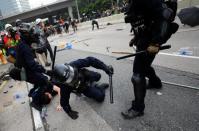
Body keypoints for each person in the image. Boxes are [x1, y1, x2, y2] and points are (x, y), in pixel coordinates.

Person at [121, 0, 179, 119]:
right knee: (144, 66)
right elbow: (140, 22)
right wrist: (135, 38)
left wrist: (156, 43)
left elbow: (165, 17)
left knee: (137, 76)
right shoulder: (132, 3)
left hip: (152, 40)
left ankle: (138, 109)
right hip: (143, 40)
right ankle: (155, 83)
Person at [39, 57, 113, 119]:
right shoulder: (64, 87)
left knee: (98, 76)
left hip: (84, 75)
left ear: (68, 67)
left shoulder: (73, 64)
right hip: (83, 88)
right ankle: (100, 87)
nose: (72, 78)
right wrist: (69, 111)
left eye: (71, 74)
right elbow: (64, 102)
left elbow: (90, 60)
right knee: (100, 97)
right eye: (69, 79)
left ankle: (92, 83)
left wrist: (105, 67)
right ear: (64, 82)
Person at [8, 26, 58, 111]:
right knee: (44, 81)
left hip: (23, 70)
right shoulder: (25, 48)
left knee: (41, 78)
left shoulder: (22, 43)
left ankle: (32, 92)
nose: (33, 37)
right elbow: (33, 65)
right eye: (32, 35)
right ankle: (35, 102)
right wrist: (46, 71)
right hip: (24, 72)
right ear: (27, 35)